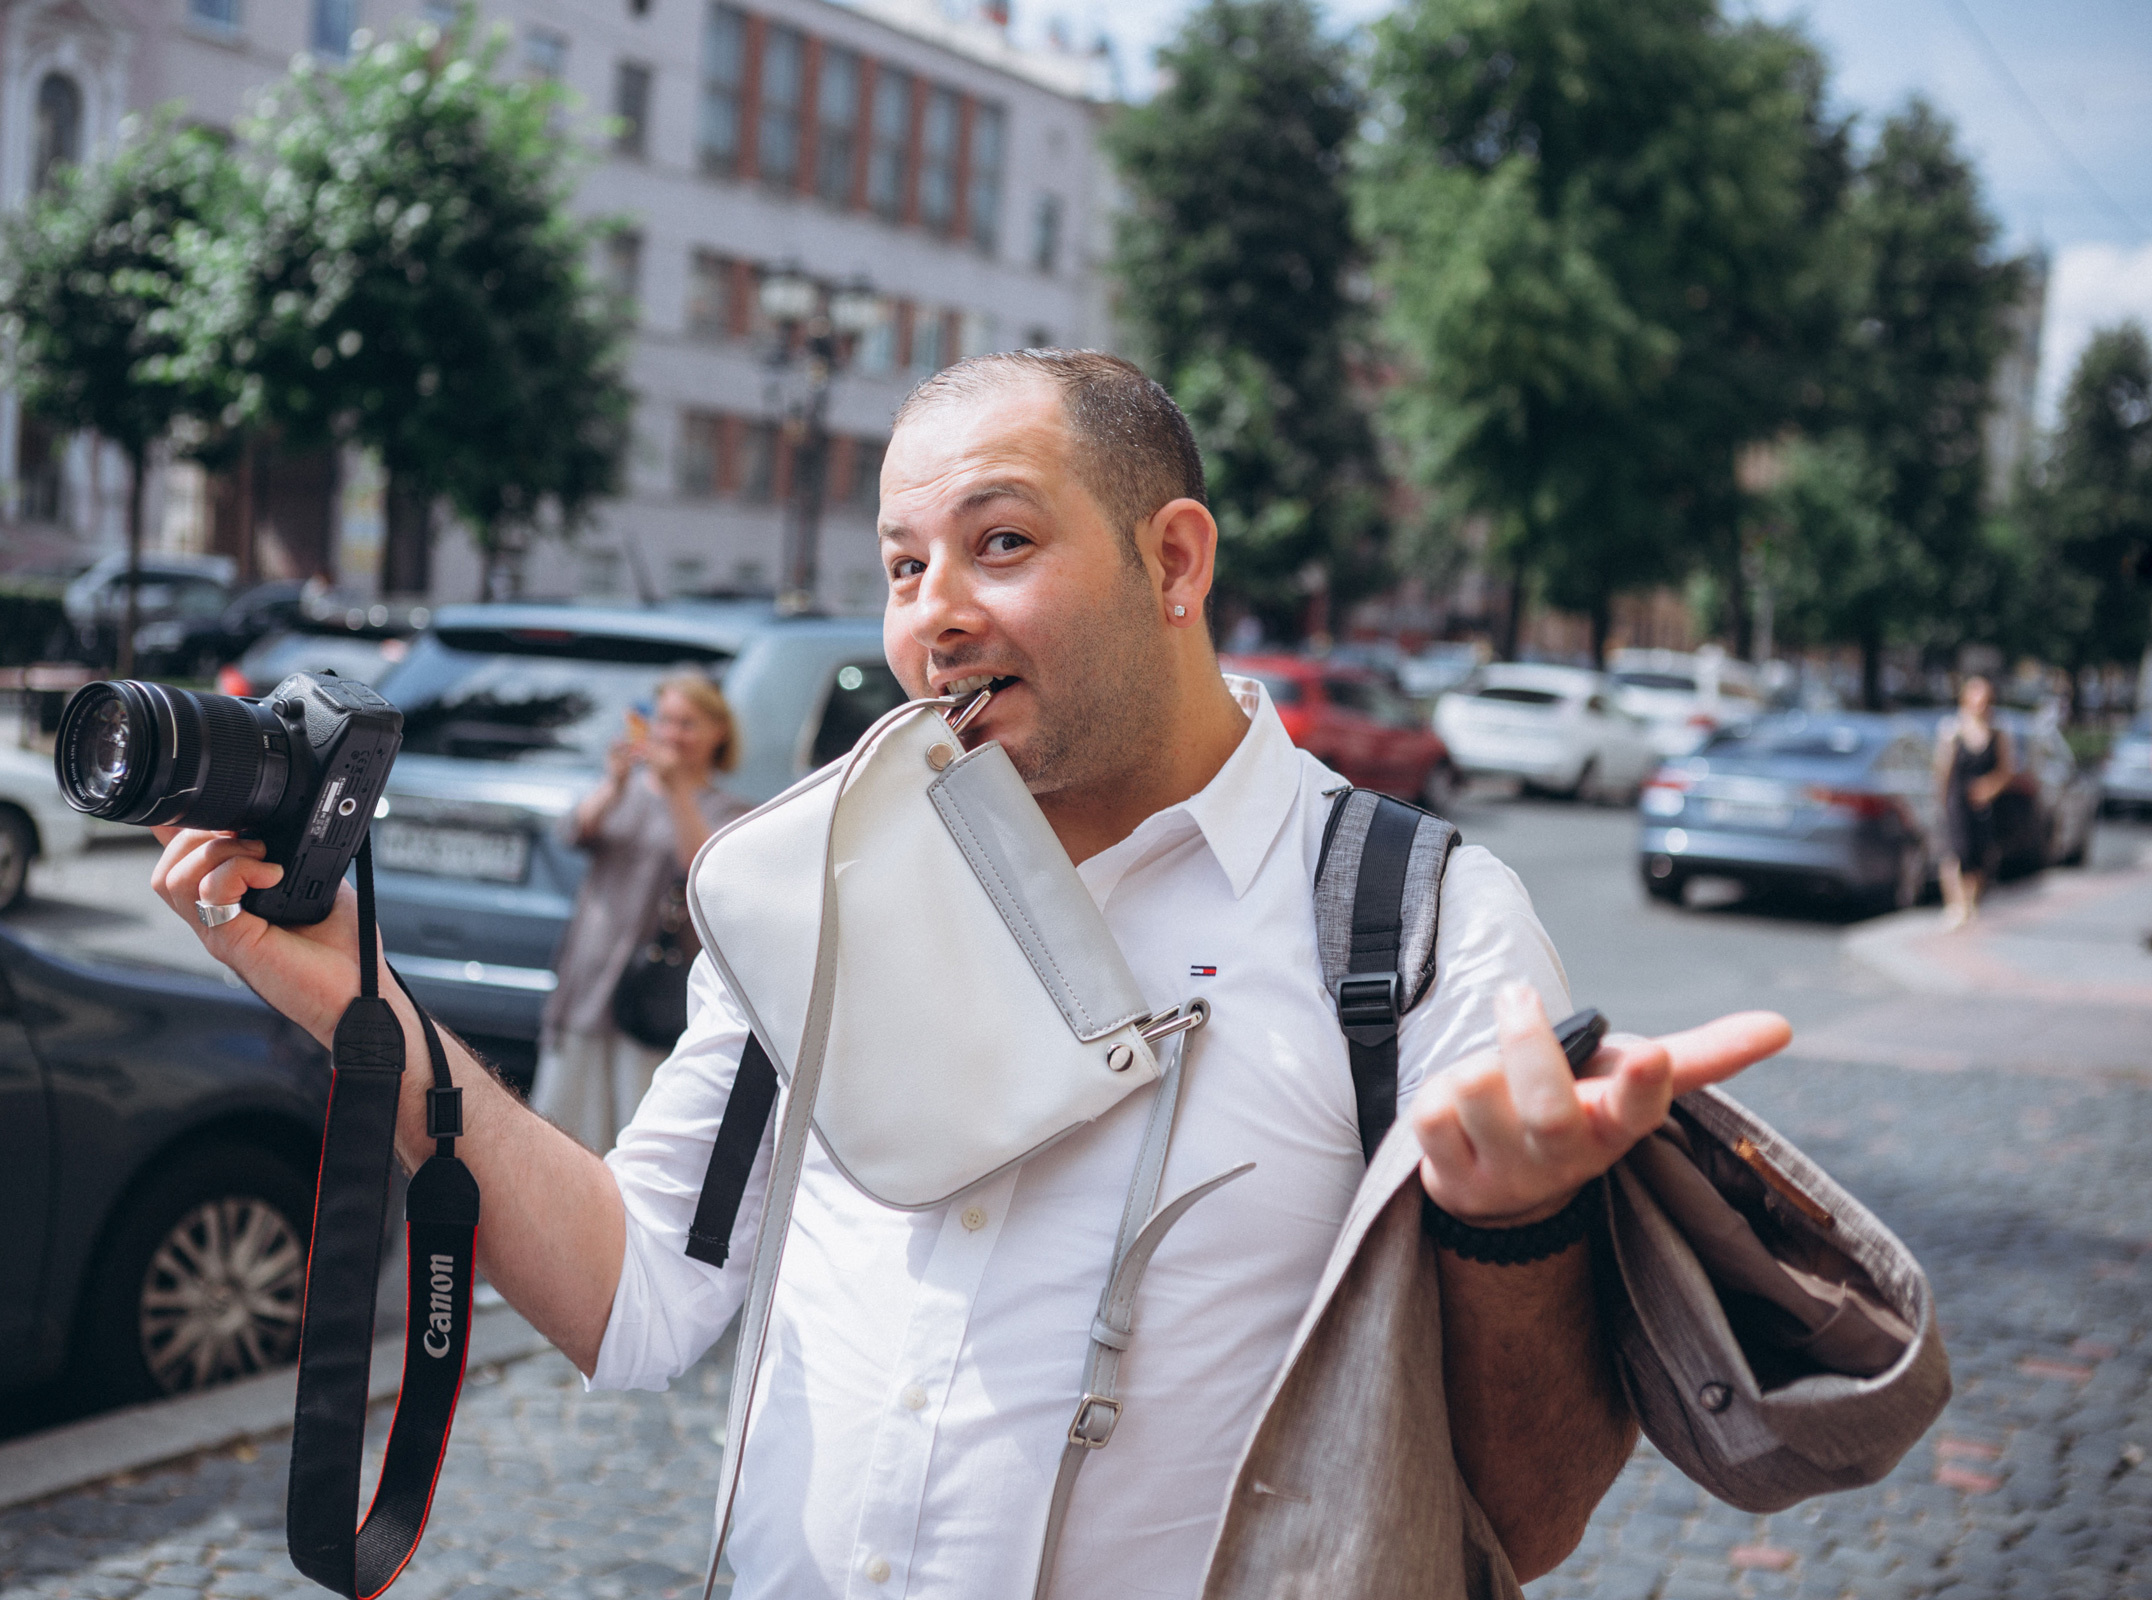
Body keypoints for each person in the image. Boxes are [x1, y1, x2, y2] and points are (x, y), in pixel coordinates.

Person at [147, 351, 1791, 1595]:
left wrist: (1522, 1228)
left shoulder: (1426, 926)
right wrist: (362, 1008)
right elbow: (641, 1297)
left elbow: (1533, 1508)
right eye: (903, 563)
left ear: (1175, 562)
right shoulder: (813, 894)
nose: (931, 615)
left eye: (999, 542)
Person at [529, 671, 749, 1151]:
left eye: (688, 723)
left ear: (719, 732)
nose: (672, 734)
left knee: (637, 1135)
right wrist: (614, 782)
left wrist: (676, 792)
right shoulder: (625, 789)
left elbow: (705, 869)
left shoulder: (730, 810)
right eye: (665, 720)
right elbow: (572, 831)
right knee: (561, 1134)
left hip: (655, 994)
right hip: (588, 981)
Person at [1934, 672, 2015, 929]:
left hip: (1984, 805)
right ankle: (1956, 907)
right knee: (1955, 853)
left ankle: (1970, 904)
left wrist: (1990, 788)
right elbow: (1941, 770)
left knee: (1979, 857)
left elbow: (2006, 770)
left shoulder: (1998, 733)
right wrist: (1941, 801)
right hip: (1957, 801)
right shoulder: (1952, 731)